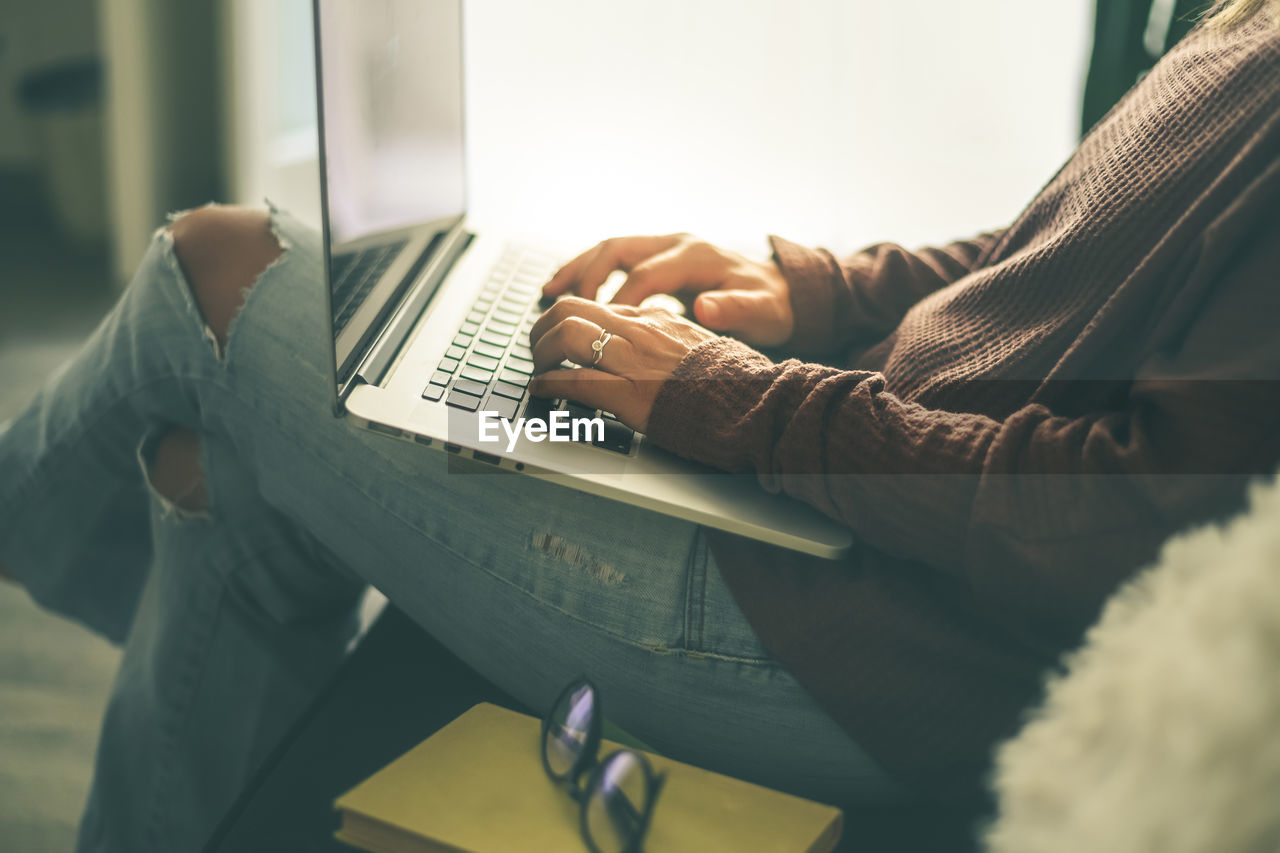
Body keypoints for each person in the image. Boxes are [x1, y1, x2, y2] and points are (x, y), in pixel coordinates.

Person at [1, 0, 1277, 850]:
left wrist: (727, 401)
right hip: (834, 506)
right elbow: (1062, 252)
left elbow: (1122, 519)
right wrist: (813, 290)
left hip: (865, 635)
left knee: (213, 268)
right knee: (216, 461)